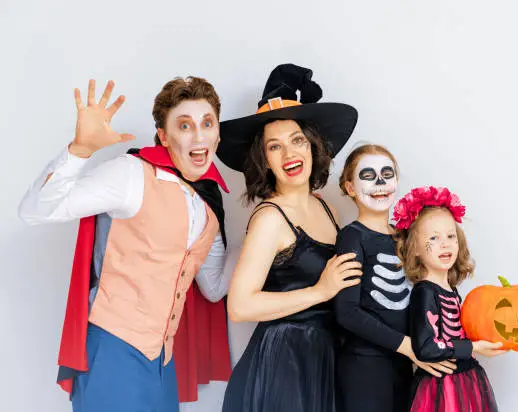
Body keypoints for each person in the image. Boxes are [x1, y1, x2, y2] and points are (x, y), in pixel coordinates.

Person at [18, 77, 232, 411]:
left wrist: (260, 236)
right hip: (112, 350)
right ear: (164, 135)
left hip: (162, 361)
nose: (199, 135)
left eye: (207, 123)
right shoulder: (131, 175)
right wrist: (81, 149)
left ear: (218, 133)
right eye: (185, 125)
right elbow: (34, 209)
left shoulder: (209, 209)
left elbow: (215, 287)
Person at [216, 63, 360, 412]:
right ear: (264, 160)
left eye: (297, 140)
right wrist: (320, 291)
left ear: (312, 147)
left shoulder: (329, 210)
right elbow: (240, 307)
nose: (290, 154)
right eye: (274, 147)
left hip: (322, 360)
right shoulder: (269, 218)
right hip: (281, 365)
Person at [334, 145, 457, 412]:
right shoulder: (352, 236)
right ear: (351, 187)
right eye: (368, 175)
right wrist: (409, 347)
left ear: (396, 182)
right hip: (364, 366)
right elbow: (347, 311)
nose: (380, 182)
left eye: (387, 174)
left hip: (405, 364)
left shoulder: (406, 236)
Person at [393, 186, 505, 411]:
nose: (445, 244)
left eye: (450, 236)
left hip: (466, 380)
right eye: (433, 238)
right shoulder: (424, 292)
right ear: (414, 248)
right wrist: (473, 347)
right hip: (441, 388)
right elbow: (426, 348)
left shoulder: (451, 288)